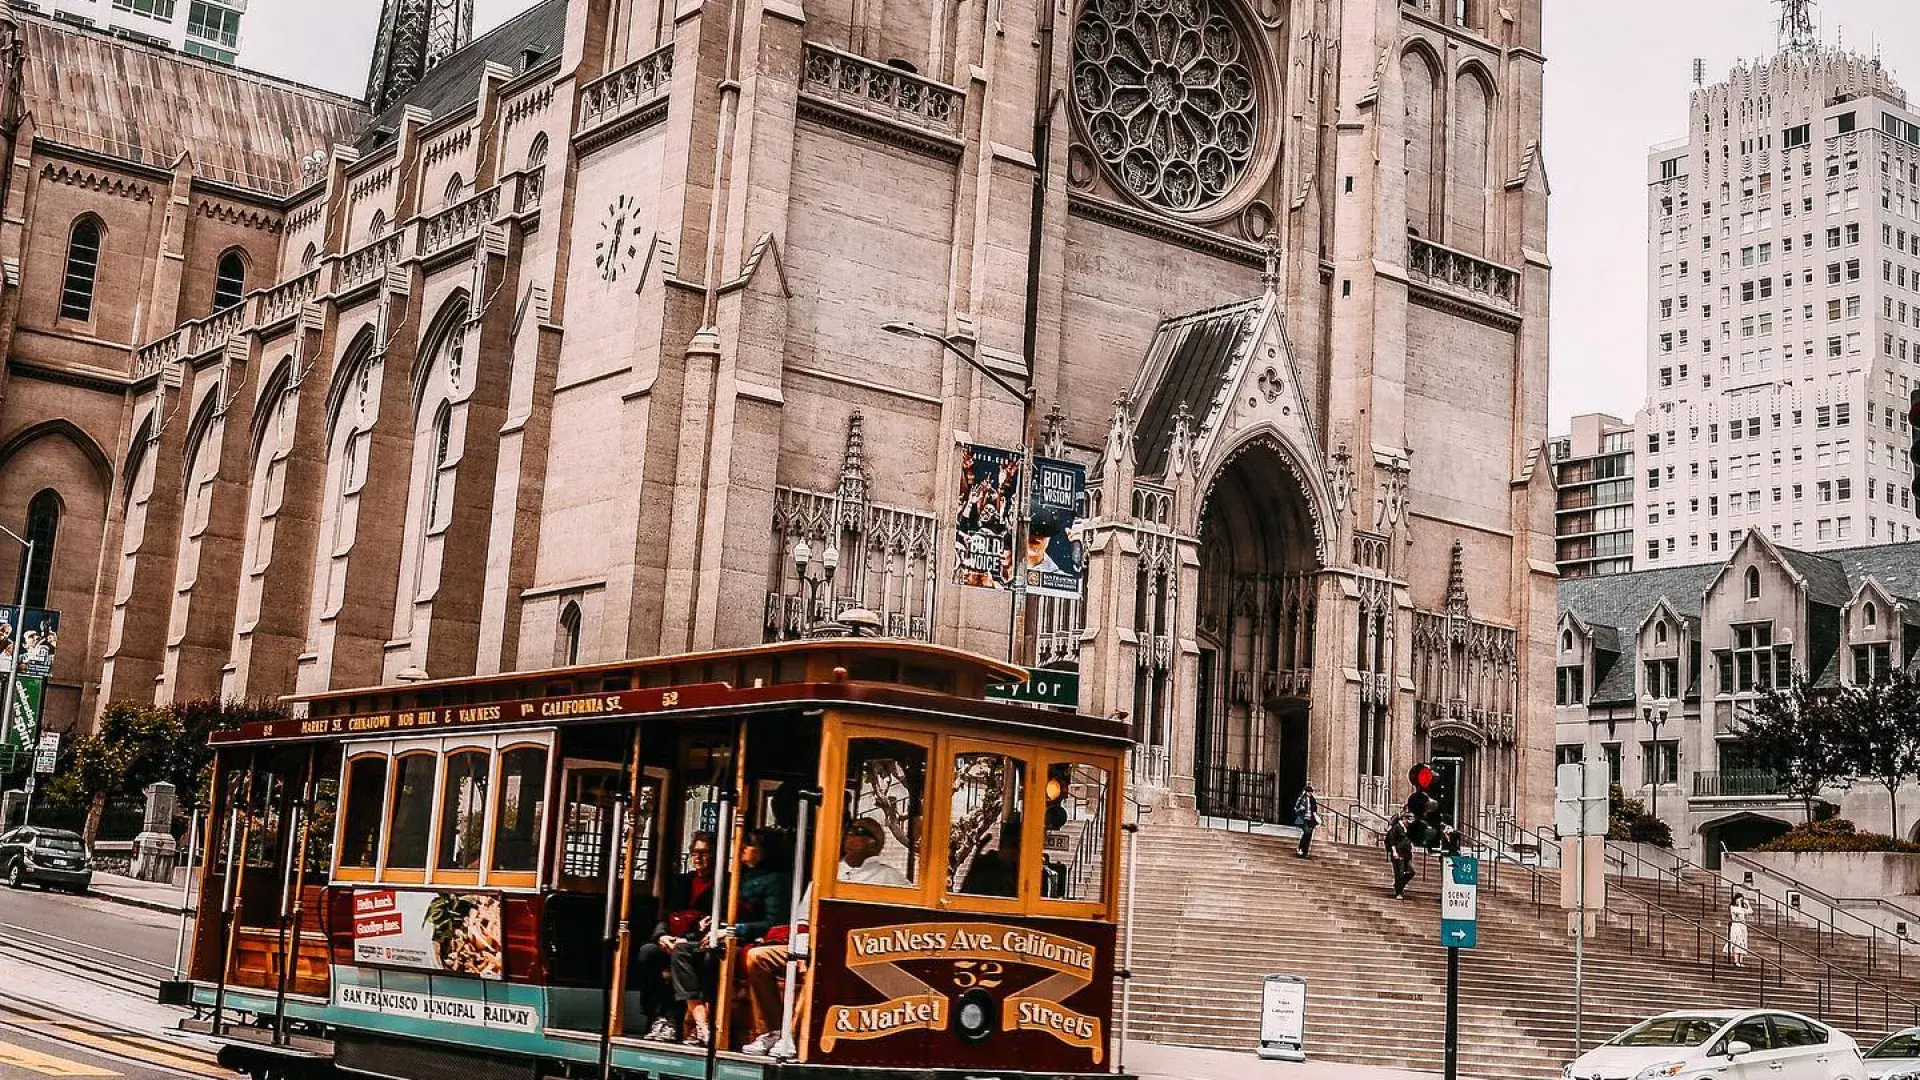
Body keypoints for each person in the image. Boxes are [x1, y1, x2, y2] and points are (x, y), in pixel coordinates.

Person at [671, 828, 791, 1048]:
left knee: (712, 956)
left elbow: (773, 924)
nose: (742, 849)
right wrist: (714, 923)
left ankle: (718, 1025)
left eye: (749, 845)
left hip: (752, 941)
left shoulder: (777, 881)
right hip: (728, 935)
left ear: (765, 851)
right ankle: (701, 1021)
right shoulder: (740, 875)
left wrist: (732, 930)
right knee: (682, 951)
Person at [636, 832, 715, 1042]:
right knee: (647, 953)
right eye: (694, 853)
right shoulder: (682, 882)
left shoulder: (722, 884)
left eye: (704, 853)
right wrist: (661, 936)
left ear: (715, 855)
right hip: (673, 939)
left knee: (683, 958)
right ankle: (656, 1016)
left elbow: (712, 921)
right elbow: (665, 915)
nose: (698, 858)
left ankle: (672, 1019)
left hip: (697, 944)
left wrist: (686, 938)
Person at [836, 816, 910, 886]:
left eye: (859, 831)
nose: (850, 834)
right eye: (850, 829)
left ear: (873, 843)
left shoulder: (888, 876)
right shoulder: (833, 869)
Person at [958, 819, 1021, 897]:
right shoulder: (986, 867)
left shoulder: (1018, 870)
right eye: (1015, 847)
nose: (1017, 853)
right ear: (1005, 845)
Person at [1384, 812, 1415, 900]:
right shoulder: (1397, 827)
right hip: (1399, 852)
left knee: (1411, 871)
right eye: (1408, 820)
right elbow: (1392, 840)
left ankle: (1399, 885)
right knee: (1399, 873)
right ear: (1404, 819)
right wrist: (1394, 852)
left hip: (1407, 853)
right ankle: (1399, 891)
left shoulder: (1408, 829)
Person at [1292, 783, 1321, 858]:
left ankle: (1305, 852)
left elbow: (1314, 809)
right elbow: (1295, 808)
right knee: (1306, 832)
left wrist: (1316, 817)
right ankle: (1300, 848)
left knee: (1309, 835)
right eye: (1309, 792)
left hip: (1310, 819)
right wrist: (1300, 809)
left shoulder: (1313, 800)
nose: (1310, 793)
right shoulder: (1301, 799)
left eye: (1311, 792)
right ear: (1306, 792)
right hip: (1303, 818)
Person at [1726, 893, 1751, 967]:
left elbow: (1750, 912)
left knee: (1743, 942)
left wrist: (1747, 904)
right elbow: (1737, 913)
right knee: (1737, 941)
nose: (1740, 901)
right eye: (1739, 899)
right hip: (1736, 924)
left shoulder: (1742, 908)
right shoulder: (1732, 907)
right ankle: (1736, 960)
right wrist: (1740, 906)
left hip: (1742, 925)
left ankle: (1741, 960)